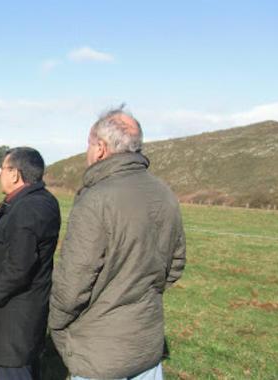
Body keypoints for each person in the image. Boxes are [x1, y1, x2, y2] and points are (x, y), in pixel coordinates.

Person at [49, 108, 187, 380]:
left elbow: (72, 283)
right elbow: (175, 266)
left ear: (100, 148)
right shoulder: (165, 193)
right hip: (146, 346)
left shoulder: (96, 199)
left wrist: (55, 323)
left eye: (88, 145)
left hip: (98, 353)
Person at [0, 147, 61, 380]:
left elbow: (19, 266)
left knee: (15, 369)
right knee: (25, 368)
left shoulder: (28, 208)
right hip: (25, 309)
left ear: (15, 174)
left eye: (1, 169)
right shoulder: (40, 200)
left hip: (16, 313)